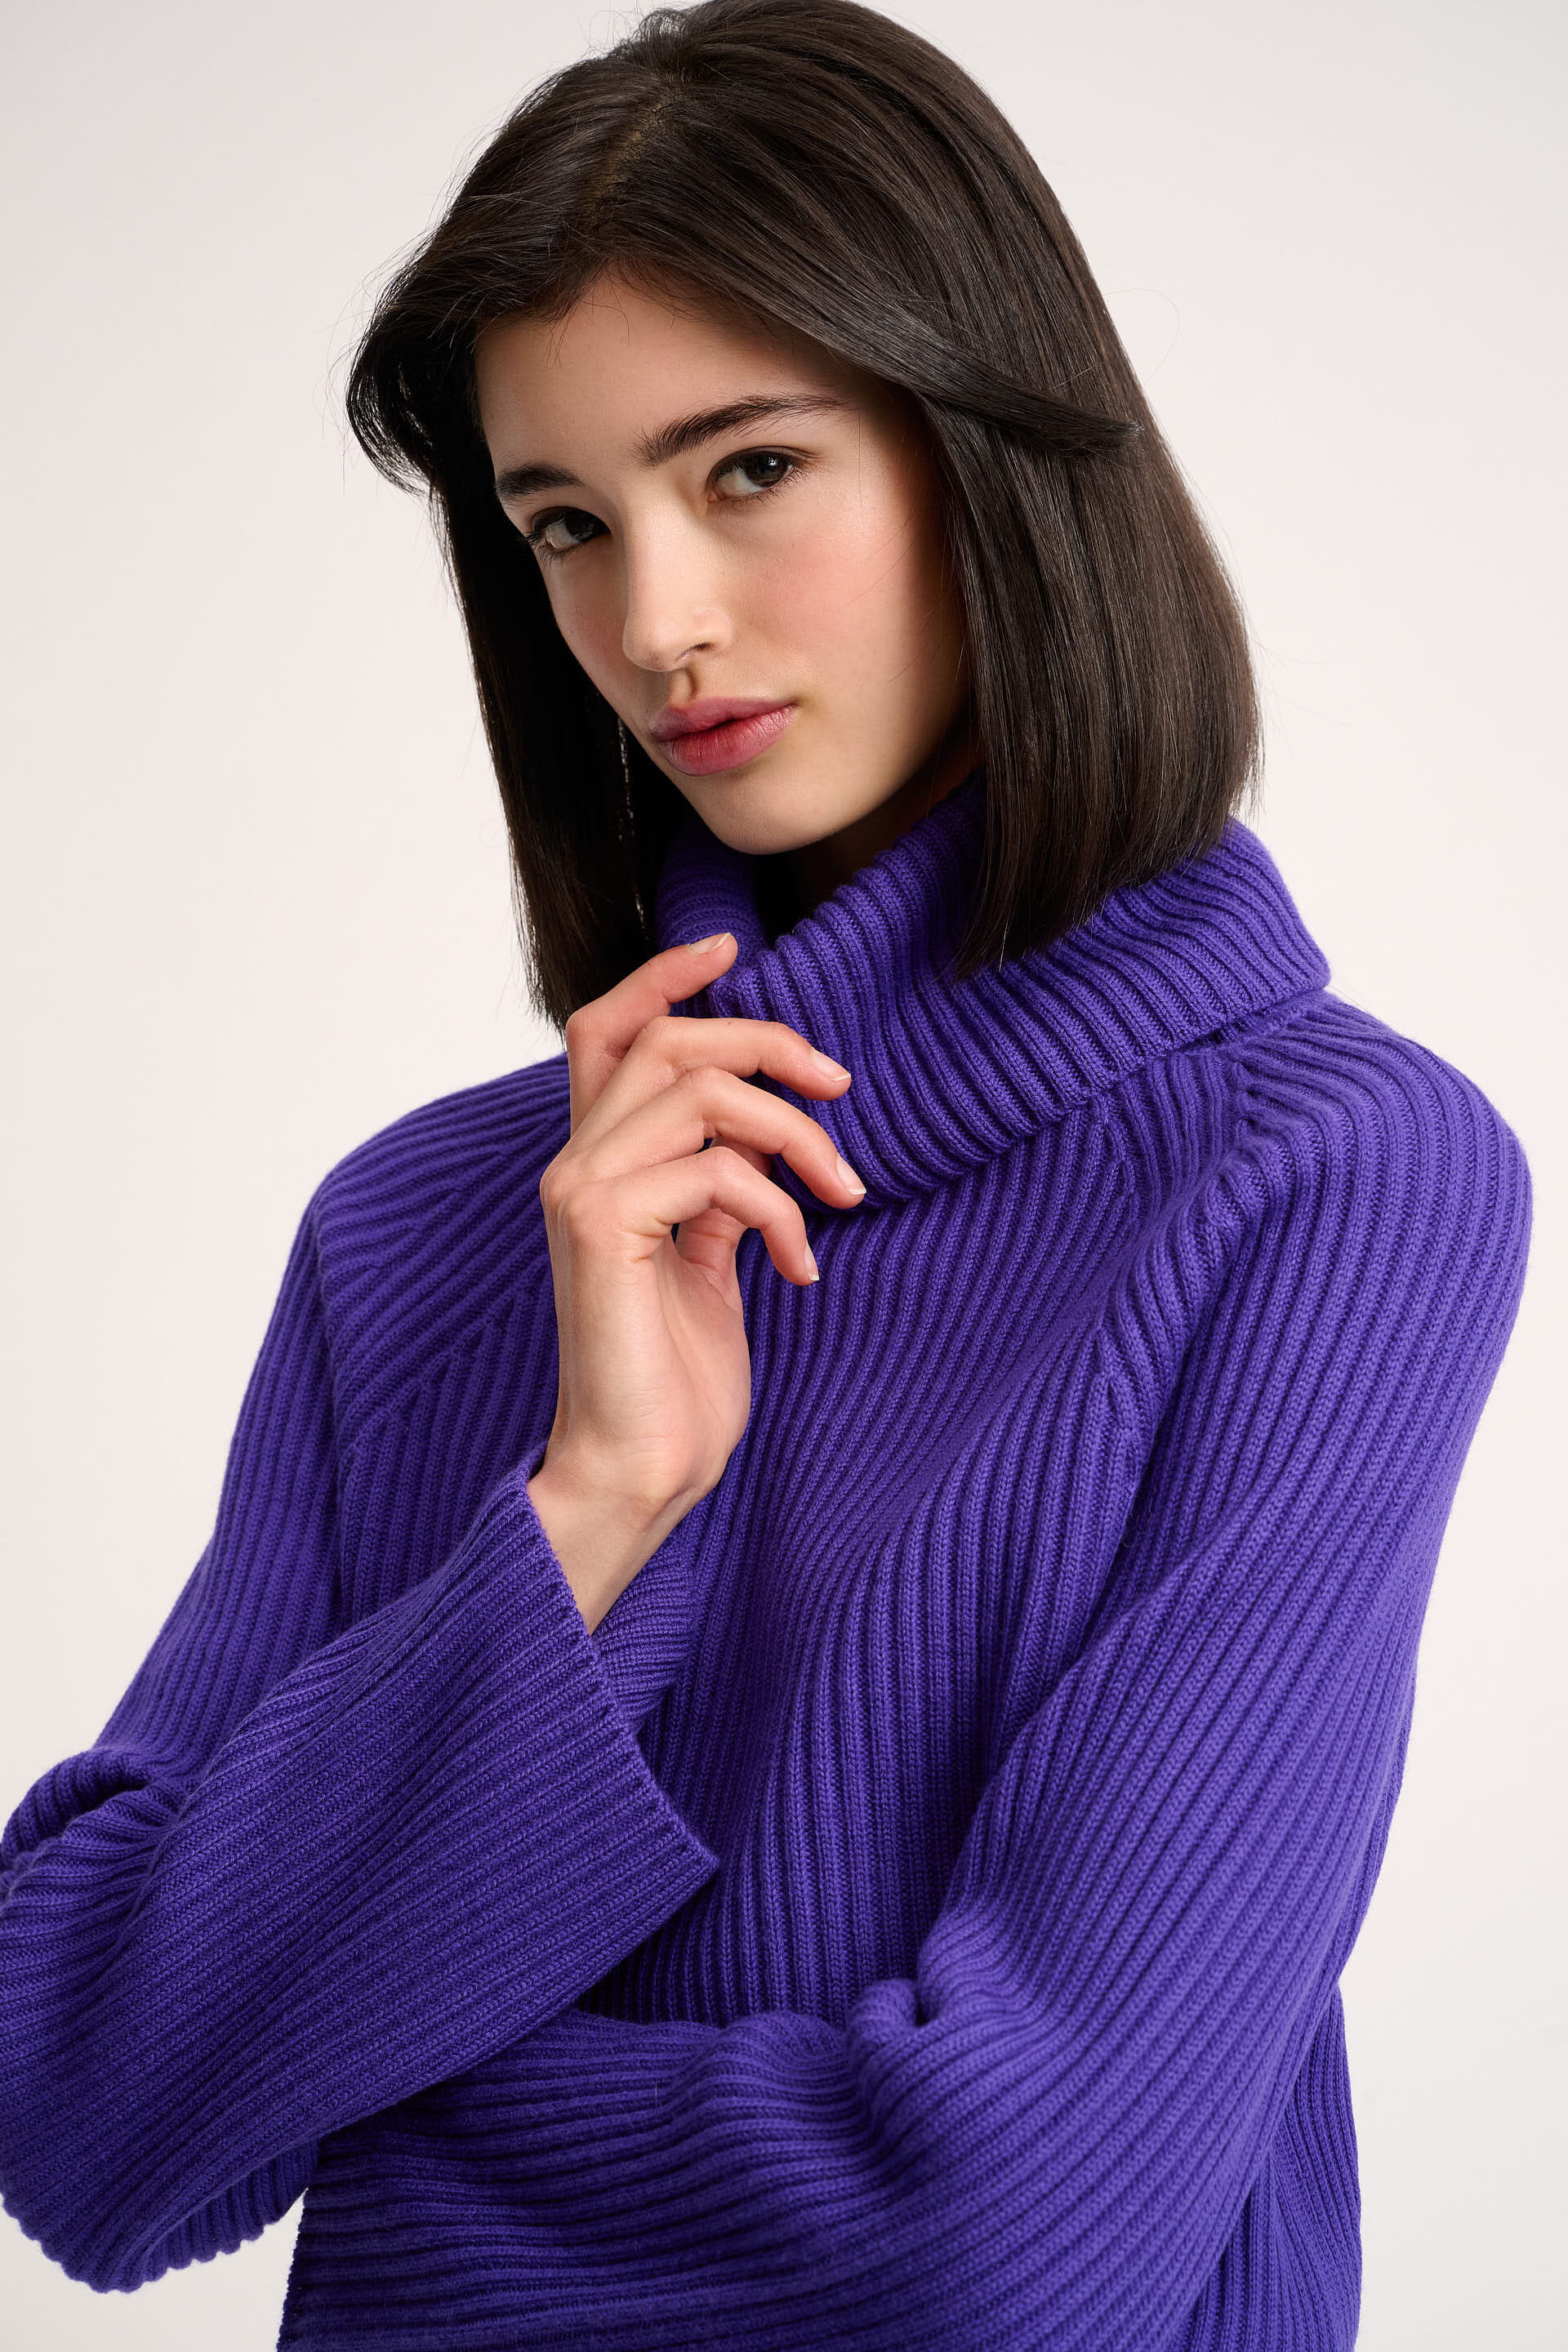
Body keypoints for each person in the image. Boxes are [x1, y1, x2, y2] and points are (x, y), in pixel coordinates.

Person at [0, 1, 1531, 2345]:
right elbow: (83, 2107)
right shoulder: (426, 1233)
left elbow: (1019, 2230)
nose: (655, 627)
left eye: (748, 470)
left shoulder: (1333, 1181)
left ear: (987, 455)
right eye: (565, 526)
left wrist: (386, 2170)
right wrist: (592, 1506)